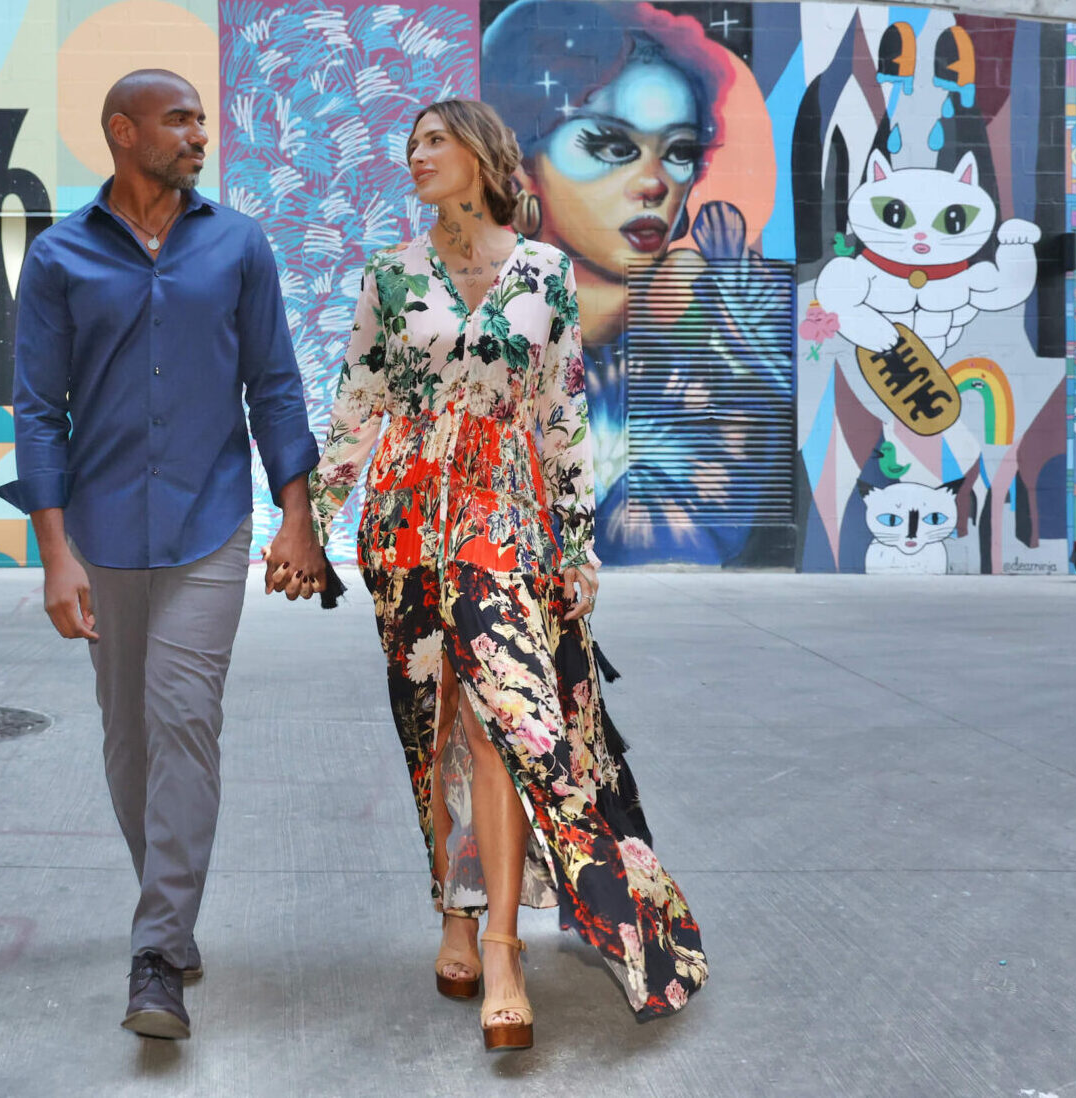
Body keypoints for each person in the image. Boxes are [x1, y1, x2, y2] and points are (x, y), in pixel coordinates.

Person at [288, 99, 707, 1051]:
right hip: (401, 527)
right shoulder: (391, 278)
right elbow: (356, 408)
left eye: (433, 141)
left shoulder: (546, 273)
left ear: (480, 157)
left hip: (503, 524)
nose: (414, 155)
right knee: (429, 721)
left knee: (506, 726)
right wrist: (309, 526)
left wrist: (576, 548)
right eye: (410, 145)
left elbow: (559, 421)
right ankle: (454, 916)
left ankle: (507, 947)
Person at [0, 69, 325, 1040]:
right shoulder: (59, 258)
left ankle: (154, 956)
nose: (197, 135)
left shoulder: (237, 244)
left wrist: (295, 515)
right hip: (98, 535)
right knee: (128, 739)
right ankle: (171, 918)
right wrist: (54, 553)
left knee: (183, 721)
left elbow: (274, 382)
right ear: (121, 131)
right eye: (178, 120)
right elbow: (36, 410)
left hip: (205, 527)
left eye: (201, 120)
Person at [481, 1, 775, 565]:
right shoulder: (483, 329)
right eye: (613, 147)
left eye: (680, 152)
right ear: (524, 168)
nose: (654, 182)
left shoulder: (709, 352)